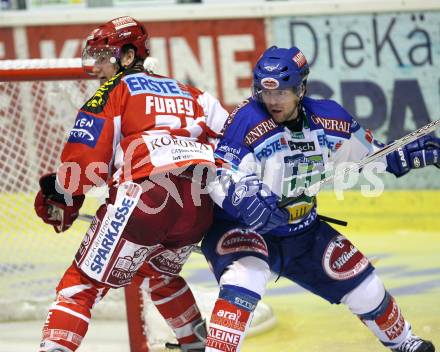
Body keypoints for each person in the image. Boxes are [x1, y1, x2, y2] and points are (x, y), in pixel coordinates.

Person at [201, 46, 439, 352]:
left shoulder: (330, 119)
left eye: (282, 92)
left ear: (301, 88)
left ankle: (405, 342)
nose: (272, 100)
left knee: (365, 287)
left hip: (303, 230)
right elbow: (222, 174)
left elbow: (370, 156)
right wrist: (246, 201)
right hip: (243, 229)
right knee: (247, 278)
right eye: (265, 91)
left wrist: (404, 155)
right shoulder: (246, 120)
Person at [34, 16, 228, 352]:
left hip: (146, 197)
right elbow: (232, 140)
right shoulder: (192, 92)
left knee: (80, 284)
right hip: (197, 206)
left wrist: (65, 198)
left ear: (128, 57)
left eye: (105, 56)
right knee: (160, 275)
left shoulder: (114, 90)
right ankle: (196, 345)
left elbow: (87, 160)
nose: (98, 64)